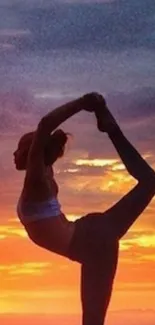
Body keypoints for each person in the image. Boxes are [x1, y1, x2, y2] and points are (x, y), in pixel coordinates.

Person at [14, 93, 155, 325]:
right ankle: (111, 128)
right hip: (91, 239)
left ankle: (111, 128)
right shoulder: (46, 174)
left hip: (94, 243)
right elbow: (45, 140)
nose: (13, 154)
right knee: (150, 181)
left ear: (32, 155)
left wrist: (84, 103)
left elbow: (44, 126)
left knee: (92, 322)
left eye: (20, 149)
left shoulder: (36, 181)